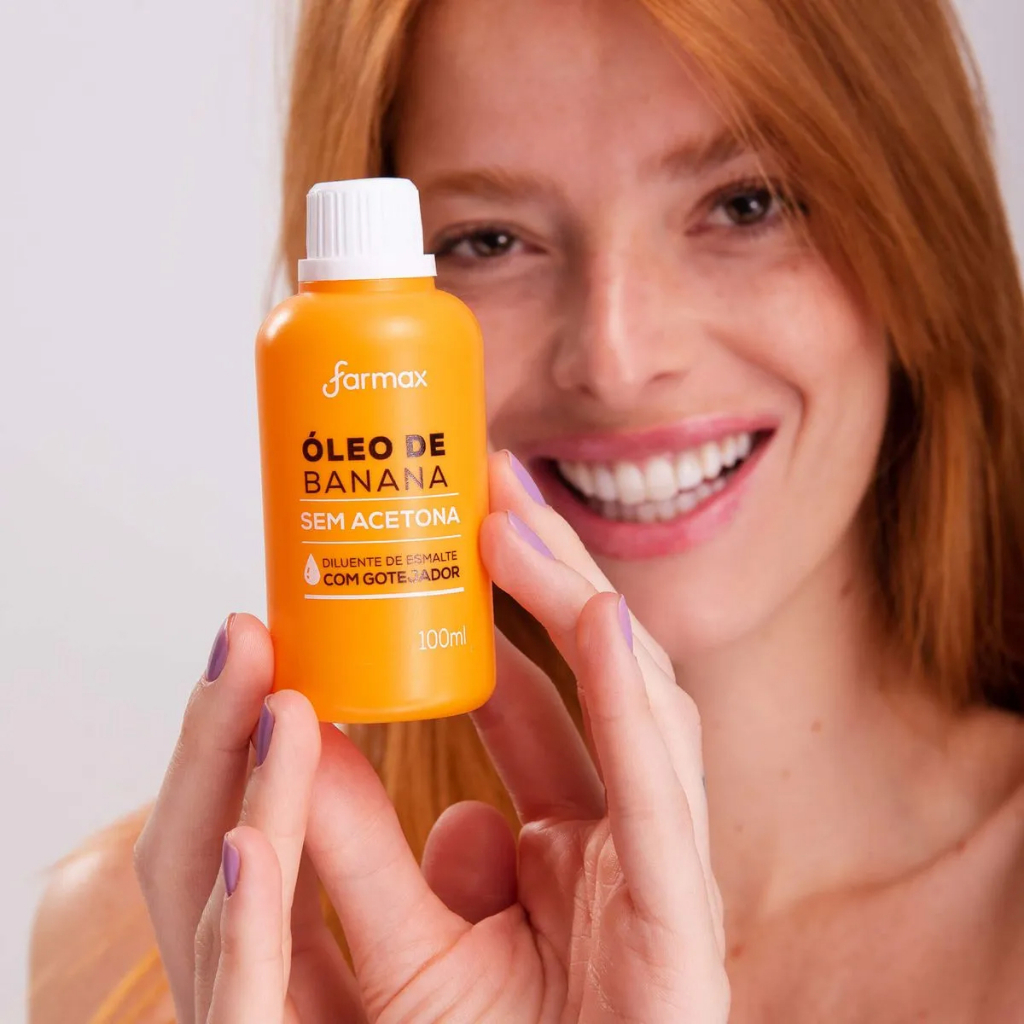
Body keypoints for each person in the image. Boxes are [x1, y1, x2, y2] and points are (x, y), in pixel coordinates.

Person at [29, 0, 1024, 1019]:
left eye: (746, 204)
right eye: (490, 238)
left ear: (921, 233)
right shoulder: (147, 954)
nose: (616, 361)